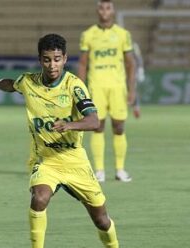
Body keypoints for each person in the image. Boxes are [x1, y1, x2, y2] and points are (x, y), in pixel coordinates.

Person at [0, 34, 130, 248]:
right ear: (40, 60)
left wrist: (69, 124)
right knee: (39, 197)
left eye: (57, 60)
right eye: (47, 60)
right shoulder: (28, 82)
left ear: (65, 59)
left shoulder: (74, 85)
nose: (52, 65)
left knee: (101, 219)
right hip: (45, 159)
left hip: (74, 161)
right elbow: (10, 84)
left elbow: (94, 121)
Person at [77, 0, 137, 183]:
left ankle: (120, 170)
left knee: (119, 127)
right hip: (97, 86)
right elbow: (83, 64)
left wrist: (132, 89)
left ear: (113, 10)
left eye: (108, 7)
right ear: (97, 10)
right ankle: (100, 171)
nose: (105, 11)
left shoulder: (123, 34)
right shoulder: (88, 35)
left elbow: (130, 63)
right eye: (102, 8)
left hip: (118, 87)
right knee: (97, 126)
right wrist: (80, 90)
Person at [132, 41, 145, 119]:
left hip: (132, 71)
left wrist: (140, 69)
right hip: (119, 71)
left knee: (133, 88)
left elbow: (138, 57)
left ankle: (136, 108)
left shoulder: (133, 45)